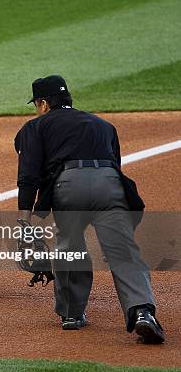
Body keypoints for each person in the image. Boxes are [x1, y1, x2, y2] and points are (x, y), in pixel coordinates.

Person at [14, 75, 164, 344]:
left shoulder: (35, 127)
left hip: (68, 187)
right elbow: (114, 164)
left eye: (36, 104)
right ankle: (142, 312)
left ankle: (72, 314)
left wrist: (25, 220)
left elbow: (29, 176)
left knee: (70, 246)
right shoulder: (103, 125)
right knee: (123, 251)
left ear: (44, 104)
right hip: (110, 185)